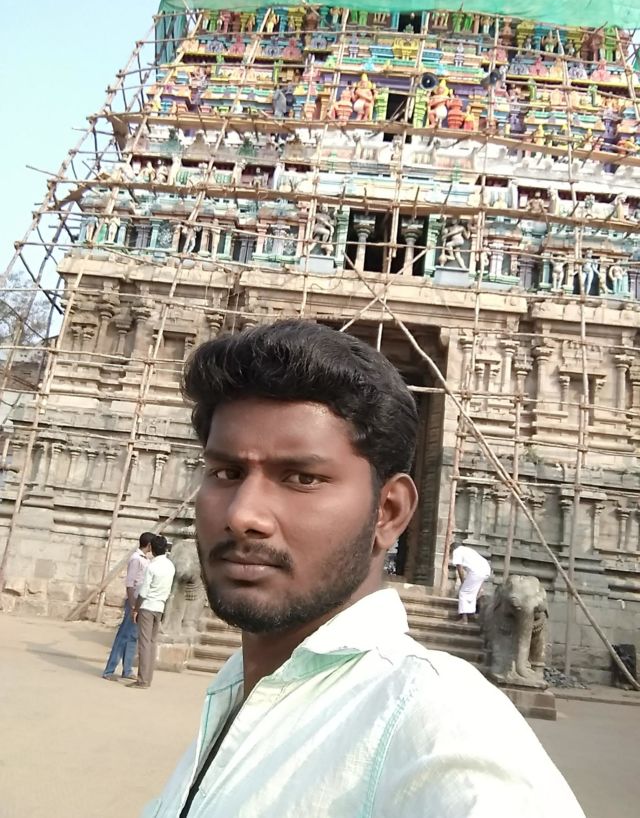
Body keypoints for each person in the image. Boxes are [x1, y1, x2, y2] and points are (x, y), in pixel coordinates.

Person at [140, 321, 584, 817]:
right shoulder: (237, 685)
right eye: (227, 472)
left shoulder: (439, 722)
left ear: (388, 512)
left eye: (302, 478)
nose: (243, 514)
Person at [102, 531, 153, 682]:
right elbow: (130, 583)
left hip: (139, 601)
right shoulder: (136, 559)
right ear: (149, 545)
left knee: (132, 636)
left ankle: (127, 669)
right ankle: (109, 670)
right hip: (134, 601)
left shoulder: (145, 560)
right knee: (123, 636)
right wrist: (132, 605)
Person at [129, 534, 176, 689]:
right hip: (160, 607)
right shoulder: (170, 566)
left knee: (144, 644)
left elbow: (143, 592)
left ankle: (142, 680)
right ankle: (148, 678)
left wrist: (135, 609)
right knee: (152, 643)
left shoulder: (152, 566)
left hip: (148, 606)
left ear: (152, 549)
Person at [451, 541, 492, 624]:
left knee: (463, 592)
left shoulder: (457, 551)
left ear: (452, 548)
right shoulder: (467, 550)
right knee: (472, 593)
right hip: (486, 569)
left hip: (476, 572)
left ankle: (464, 619)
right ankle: (471, 613)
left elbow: (459, 567)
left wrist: (462, 581)